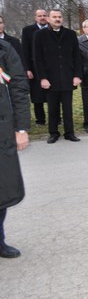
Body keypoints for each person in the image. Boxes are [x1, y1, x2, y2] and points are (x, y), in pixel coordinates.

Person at [0, 38, 30, 259]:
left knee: (3, 190)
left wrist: (21, 128)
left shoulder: (4, 50)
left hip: (2, 131)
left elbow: (18, 87)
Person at [33, 9, 83, 144]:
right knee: (52, 108)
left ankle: (69, 133)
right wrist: (43, 78)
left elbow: (76, 56)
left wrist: (77, 75)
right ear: (48, 19)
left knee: (67, 108)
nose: (57, 19)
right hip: (50, 78)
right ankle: (53, 133)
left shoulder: (70, 34)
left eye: (59, 17)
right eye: (54, 17)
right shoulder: (40, 35)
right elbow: (38, 58)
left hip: (67, 76)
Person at [21, 9, 49, 126]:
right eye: (40, 16)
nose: (42, 17)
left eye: (44, 15)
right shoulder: (27, 30)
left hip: (51, 67)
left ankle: (57, 118)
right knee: (37, 96)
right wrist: (27, 69)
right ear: (35, 17)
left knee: (55, 95)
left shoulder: (53, 29)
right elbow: (25, 51)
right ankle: (40, 120)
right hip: (34, 67)